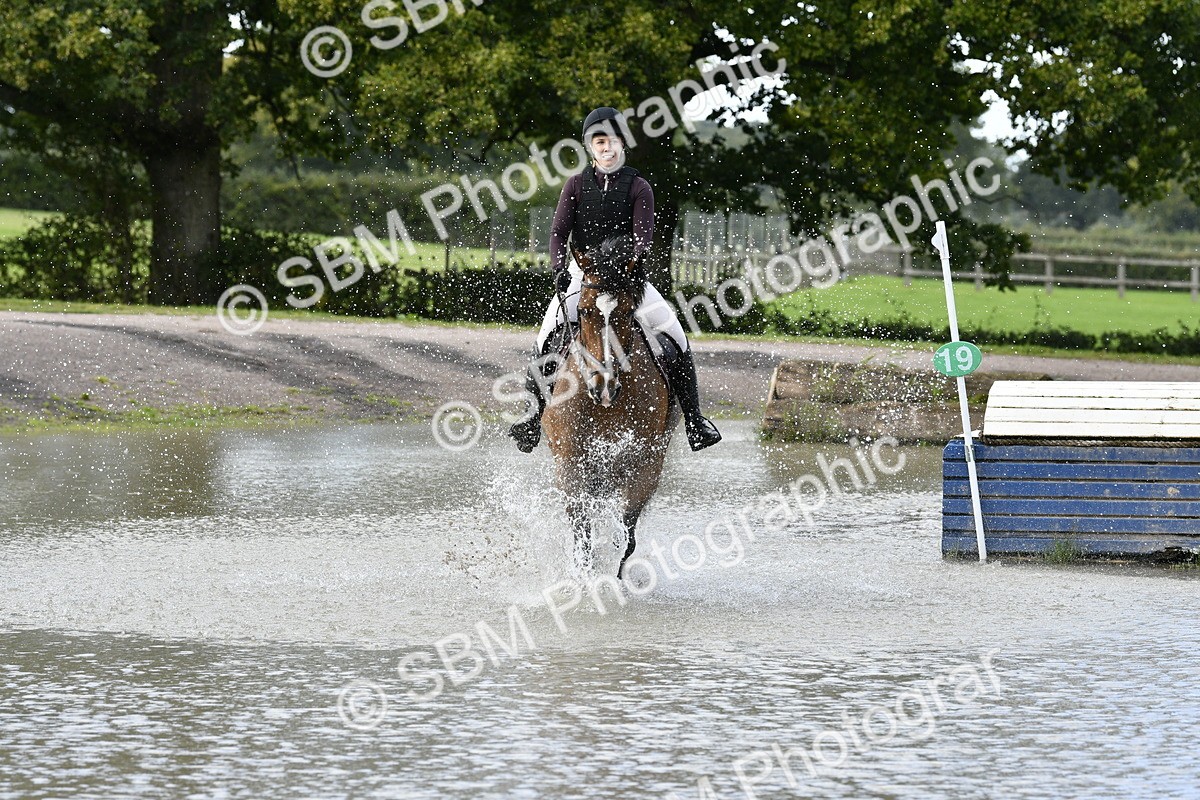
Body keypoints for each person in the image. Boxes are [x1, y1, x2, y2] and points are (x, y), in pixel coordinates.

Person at [508, 106, 722, 454]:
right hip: (584, 275)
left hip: (627, 277)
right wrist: (559, 268)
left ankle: (695, 422)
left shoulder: (639, 187)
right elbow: (559, 233)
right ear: (590, 146)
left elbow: (642, 238)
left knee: (677, 336)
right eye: (600, 141)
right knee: (546, 334)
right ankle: (531, 419)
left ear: (624, 144)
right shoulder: (575, 185)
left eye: (613, 141)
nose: (607, 147)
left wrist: (628, 266)